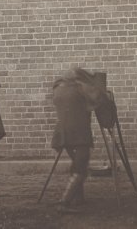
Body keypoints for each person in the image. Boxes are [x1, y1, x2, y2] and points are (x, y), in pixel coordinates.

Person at [51, 67, 110, 213]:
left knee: (77, 163)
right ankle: (63, 202)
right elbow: (99, 99)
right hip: (79, 133)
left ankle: (78, 198)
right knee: (80, 168)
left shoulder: (58, 88)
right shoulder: (81, 88)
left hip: (62, 133)